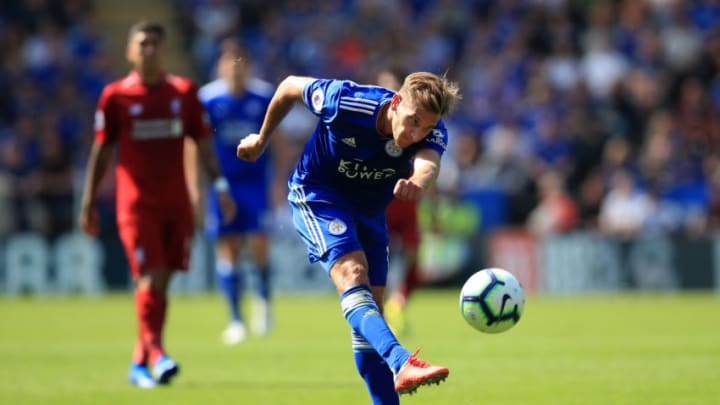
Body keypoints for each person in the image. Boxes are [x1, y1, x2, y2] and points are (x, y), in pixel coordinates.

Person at [236, 72, 461, 403]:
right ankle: (401, 361)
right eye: (412, 121)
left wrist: (418, 182)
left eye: (425, 128)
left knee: (369, 328)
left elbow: (429, 164)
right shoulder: (345, 101)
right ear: (396, 102)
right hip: (318, 195)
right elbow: (287, 87)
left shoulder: (431, 130)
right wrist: (262, 139)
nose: (416, 134)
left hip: (370, 212)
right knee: (353, 274)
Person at [78, 21, 236, 389]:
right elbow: (101, 152)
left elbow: (203, 144)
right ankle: (159, 353)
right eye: (142, 43)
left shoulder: (183, 93)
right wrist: (88, 201)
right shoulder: (116, 96)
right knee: (148, 276)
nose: (148, 49)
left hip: (176, 203)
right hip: (136, 206)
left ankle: (138, 362)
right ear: (130, 51)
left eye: (154, 43)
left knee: (162, 281)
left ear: (163, 50)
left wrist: (221, 186)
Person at [198, 37, 284, 345]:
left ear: (248, 66)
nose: (234, 69)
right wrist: (195, 184)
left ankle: (263, 302)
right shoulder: (207, 99)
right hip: (223, 186)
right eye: (228, 63)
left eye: (240, 63)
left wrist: (279, 181)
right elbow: (196, 144)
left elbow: (279, 141)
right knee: (229, 250)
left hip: (255, 184)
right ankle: (235, 319)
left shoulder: (263, 97)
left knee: (260, 247)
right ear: (219, 66)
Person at [375, 67, 434, 337]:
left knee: (414, 260)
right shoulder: (374, 119)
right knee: (378, 265)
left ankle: (399, 303)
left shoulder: (415, 120)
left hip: (407, 202)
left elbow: (429, 160)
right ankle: (382, 314)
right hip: (380, 203)